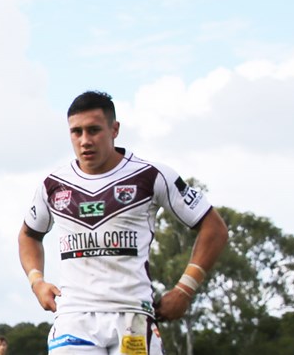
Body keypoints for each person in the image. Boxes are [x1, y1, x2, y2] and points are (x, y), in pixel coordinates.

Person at [18, 91, 229, 355]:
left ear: (114, 129)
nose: (85, 141)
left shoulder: (151, 175)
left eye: (94, 130)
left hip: (132, 316)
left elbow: (214, 228)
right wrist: (37, 281)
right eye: (77, 132)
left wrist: (185, 289)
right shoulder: (53, 184)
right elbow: (28, 235)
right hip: (73, 317)